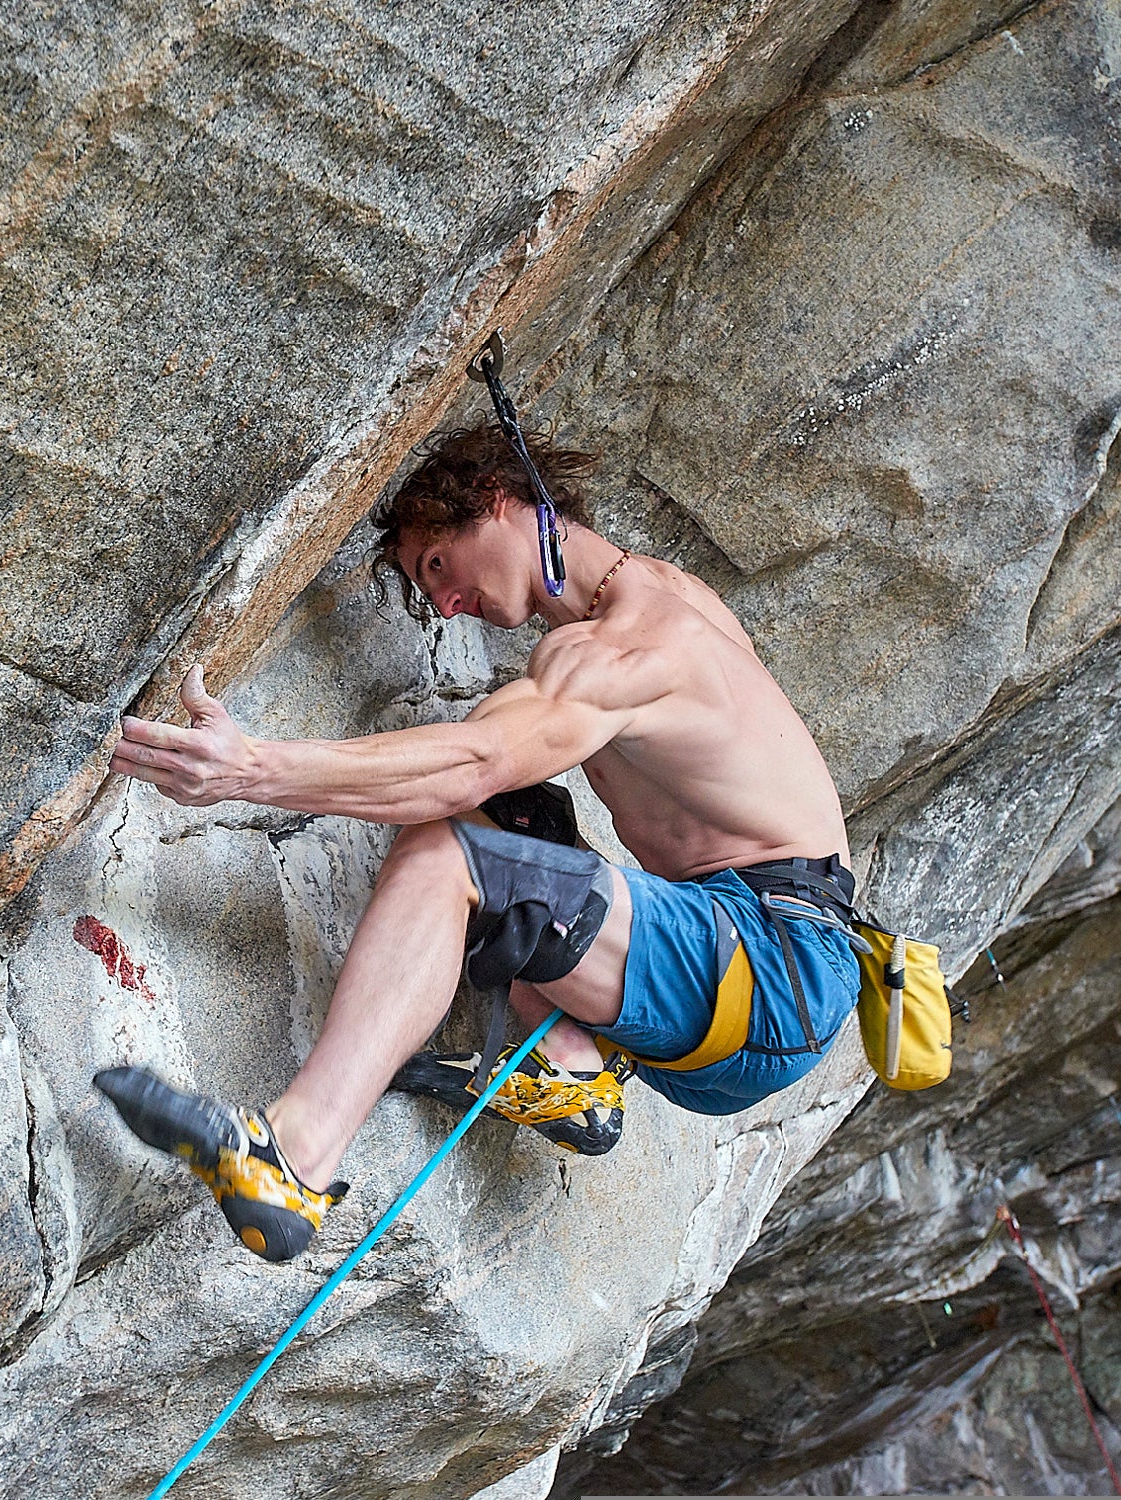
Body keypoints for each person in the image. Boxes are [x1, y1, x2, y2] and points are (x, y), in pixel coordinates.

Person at [95, 423, 860, 1262]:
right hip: (754, 972)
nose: (447, 603)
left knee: (452, 849)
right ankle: (571, 1069)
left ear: (498, 502)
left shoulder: (632, 647)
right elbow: (471, 771)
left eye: (436, 566)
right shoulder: (655, 598)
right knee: (497, 820)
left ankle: (292, 1158)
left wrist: (252, 771)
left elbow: (467, 764)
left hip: (773, 968)